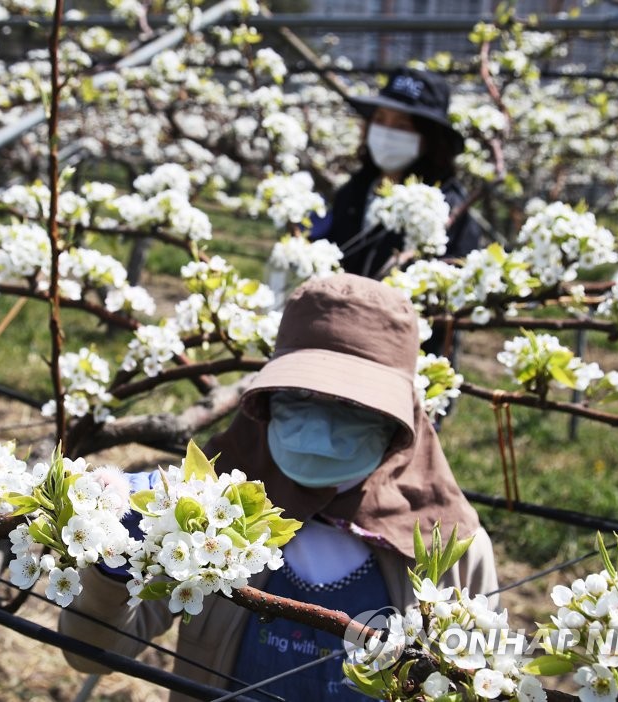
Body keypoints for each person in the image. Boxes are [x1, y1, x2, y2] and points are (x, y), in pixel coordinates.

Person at [58, 274, 498, 701]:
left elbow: (479, 683)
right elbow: (95, 656)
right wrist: (114, 567)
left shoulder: (453, 547)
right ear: (267, 398)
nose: (321, 427)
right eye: (301, 396)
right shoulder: (207, 509)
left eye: (352, 406)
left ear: (401, 419)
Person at [311, 66, 481, 280]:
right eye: (380, 120)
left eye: (402, 125)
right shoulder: (355, 191)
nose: (387, 132)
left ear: (429, 138)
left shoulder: (448, 208)